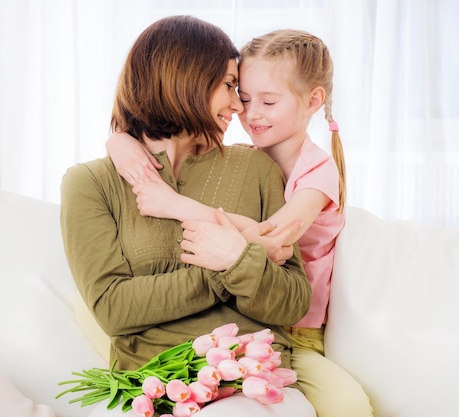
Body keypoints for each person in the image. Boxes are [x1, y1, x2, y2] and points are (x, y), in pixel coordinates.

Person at [106, 29, 373, 417]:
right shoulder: (249, 158)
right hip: (247, 324)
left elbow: (275, 239)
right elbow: (160, 134)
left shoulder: (317, 171)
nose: (250, 113)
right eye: (243, 98)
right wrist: (119, 140)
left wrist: (176, 205)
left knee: (349, 405)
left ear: (313, 100)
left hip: (297, 330)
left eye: (268, 101)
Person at [60, 16, 316, 417]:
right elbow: (113, 309)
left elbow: (293, 302)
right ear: (185, 79)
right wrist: (229, 264)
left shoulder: (256, 168)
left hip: (251, 384)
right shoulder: (91, 183)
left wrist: (236, 257)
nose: (239, 105)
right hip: (146, 389)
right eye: (229, 86)